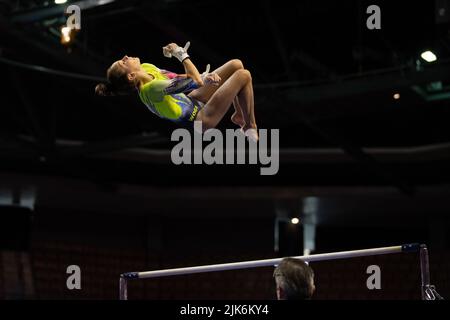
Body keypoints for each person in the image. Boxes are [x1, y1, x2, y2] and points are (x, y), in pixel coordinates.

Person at [95, 42, 258, 141]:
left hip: (192, 100)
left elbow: (180, 77)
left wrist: (204, 76)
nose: (125, 56)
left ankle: (238, 114)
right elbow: (195, 81)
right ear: (131, 76)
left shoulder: (146, 68)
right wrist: (180, 54)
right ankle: (249, 125)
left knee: (236, 64)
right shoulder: (151, 90)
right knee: (244, 75)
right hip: (200, 120)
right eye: (123, 62)